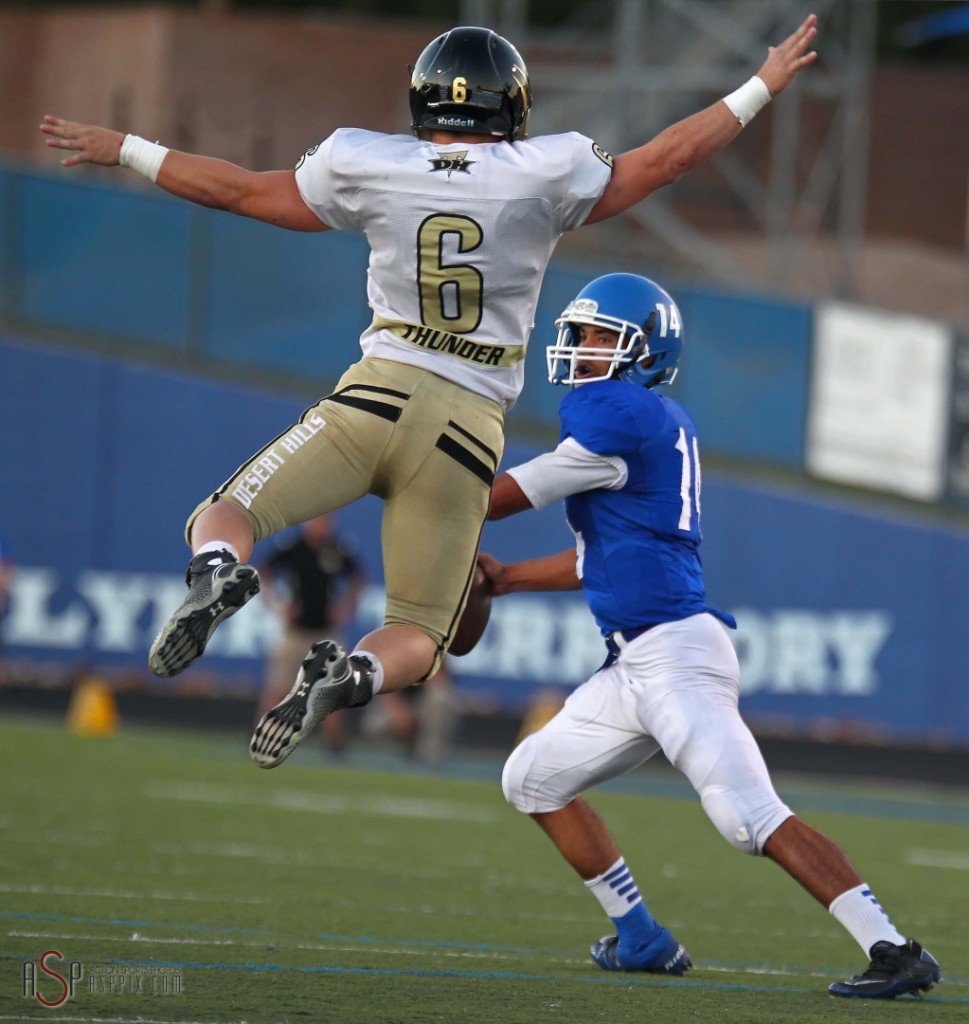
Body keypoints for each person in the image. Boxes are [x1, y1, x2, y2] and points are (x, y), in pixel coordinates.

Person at [39, 18, 819, 771]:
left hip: (374, 397)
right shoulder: (546, 169)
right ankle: (352, 679)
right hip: (468, 431)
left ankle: (214, 569)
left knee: (228, 515)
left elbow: (243, 194)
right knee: (417, 634)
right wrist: (759, 85)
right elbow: (667, 159)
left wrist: (129, 148)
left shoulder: (364, 159)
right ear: (508, 104)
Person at [476, 272, 942, 999]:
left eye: (600, 337)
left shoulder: (620, 416)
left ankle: (895, 950)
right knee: (530, 778)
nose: (579, 349)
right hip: (634, 664)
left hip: (676, 658)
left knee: (745, 816)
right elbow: (596, 558)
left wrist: (430, 492)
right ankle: (639, 938)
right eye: (581, 333)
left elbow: (501, 498)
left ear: (642, 353)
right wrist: (505, 581)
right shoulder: (643, 426)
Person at [258, 514, 366, 753]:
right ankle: (263, 735)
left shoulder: (337, 550)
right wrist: (276, 604)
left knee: (332, 689)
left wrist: (346, 607)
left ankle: (335, 744)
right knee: (279, 687)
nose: (319, 527)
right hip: (294, 631)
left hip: (326, 632)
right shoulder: (293, 548)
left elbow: (359, 578)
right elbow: (263, 572)